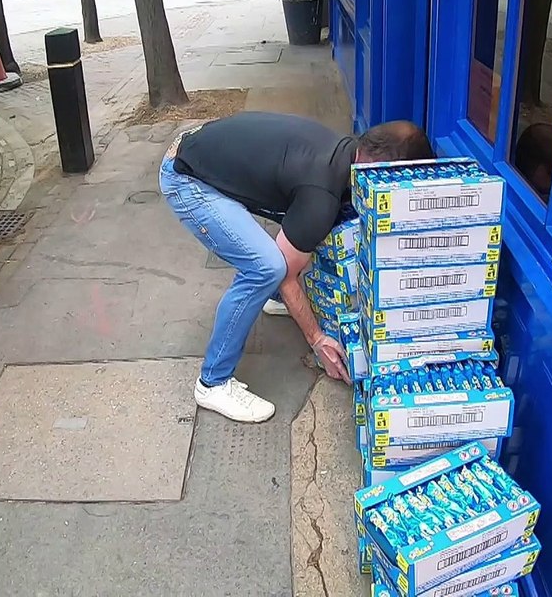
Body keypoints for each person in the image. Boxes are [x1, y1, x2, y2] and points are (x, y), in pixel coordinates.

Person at [159, 113, 434, 423]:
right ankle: (214, 382)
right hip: (187, 177)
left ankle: (275, 300)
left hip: (207, 148)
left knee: (293, 245)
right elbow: (287, 270)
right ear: (379, 169)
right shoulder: (321, 192)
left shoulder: (342, 153)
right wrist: (318, 339)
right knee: (266, 267)